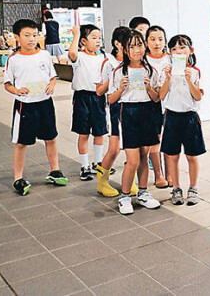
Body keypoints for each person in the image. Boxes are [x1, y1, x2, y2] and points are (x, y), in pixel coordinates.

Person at [3, 19, 68, 195]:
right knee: (21, 143)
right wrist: (16, 90)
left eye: (35, 35)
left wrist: (52, 85)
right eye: (27, 35)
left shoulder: (45, 55)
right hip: (25, 106)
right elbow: (7, 84)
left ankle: (55, 170)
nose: (32, 39)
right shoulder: (13, 59)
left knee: (51, 138)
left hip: (45, 103)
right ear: (17, 37)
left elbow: (52, 77)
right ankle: (18, 178)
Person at [108, 29, 161, 215]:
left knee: (144, 157)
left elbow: (156, 98)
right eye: (132, 46)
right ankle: (124, 197)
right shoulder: (118, 71)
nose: (137, 50)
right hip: (128, 113)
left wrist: (149, 88)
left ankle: (143, 193)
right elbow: (111, 99)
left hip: (146, 112)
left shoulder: (150, 70)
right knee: (132, 160)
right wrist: (121, 89)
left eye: (139, 45)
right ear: (124, 49)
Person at [159, 34, 206, 206]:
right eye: (174, 49)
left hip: (190, 118)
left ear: (190, 50)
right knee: (172, 156)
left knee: (192, 155)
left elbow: (198, 97)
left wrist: (189, 80)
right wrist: (168, 78)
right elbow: (161, 96)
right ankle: (176, 188)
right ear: (169, 53)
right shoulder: (166, 71)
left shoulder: (195, 71)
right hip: (171, 116)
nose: (178, 51)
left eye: (182, 47)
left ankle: (193, 187)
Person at [95, 26, 133, 197]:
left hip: (133, 108)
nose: (132, 47)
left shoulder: (135, 61)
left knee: (132, 146)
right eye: (128, 44)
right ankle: (102, 182)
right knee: (114, 148)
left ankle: (129, 180)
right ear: (117, 44)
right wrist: (114, 81)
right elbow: (100, 91)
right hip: (115, 109)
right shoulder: (109, 62)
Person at [69, 25, 108, 181]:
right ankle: (84, 166)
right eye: (94, 37)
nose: (98, 41)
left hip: (98, 97)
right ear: (83, 41)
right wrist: (76, 34)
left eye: (99, 37)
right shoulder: (79, 57)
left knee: (100, 132)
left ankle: (98, 163)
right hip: (82, 98)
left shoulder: (103, 56)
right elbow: (72, 52)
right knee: (83, 133)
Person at [145, 25, 170, 188]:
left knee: (169, 140)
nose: (157, 43)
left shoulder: (172, 58)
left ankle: (170, 173)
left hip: (170, 104)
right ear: (146, 42)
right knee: (154, 140)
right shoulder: (142, 60)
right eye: (152, 39)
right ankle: (158, 174)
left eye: (160, 39)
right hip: (150, 104)